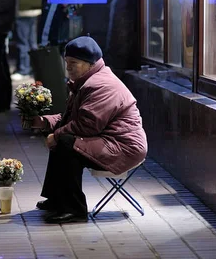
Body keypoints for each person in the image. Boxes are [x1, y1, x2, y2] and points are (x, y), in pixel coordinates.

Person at [28, 37, 148, 223]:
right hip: (108, 140)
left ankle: (74, 210)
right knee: (64, 140)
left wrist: (56, 135)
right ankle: (56, 199)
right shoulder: (86, 82)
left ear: (90, 64)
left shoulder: (101, 85)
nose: (68, 67)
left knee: (67, 144)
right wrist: (44, 122)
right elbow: (71, 119)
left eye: (73, 63)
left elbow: (87, 125)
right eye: (66, 62)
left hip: (124, 148)